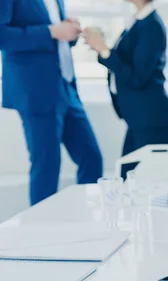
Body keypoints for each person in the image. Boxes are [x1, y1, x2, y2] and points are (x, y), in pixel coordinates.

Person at [0, 0, 103, 205]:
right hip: (36, 90)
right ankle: (42, 233)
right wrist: (51, 31)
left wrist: (68, 31)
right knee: (47, 166)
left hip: (66, 86)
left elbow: (55, 35)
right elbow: (3, 37)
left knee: (91, 158)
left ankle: (88, 223)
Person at [83, 0, 168, 180]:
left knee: (142, 184)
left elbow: (137, 78)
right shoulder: (139, 21)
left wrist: (104, 49)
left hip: (152, 121)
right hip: (139, 119)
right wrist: (101, 47)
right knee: (127, 179)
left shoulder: (151, 26)